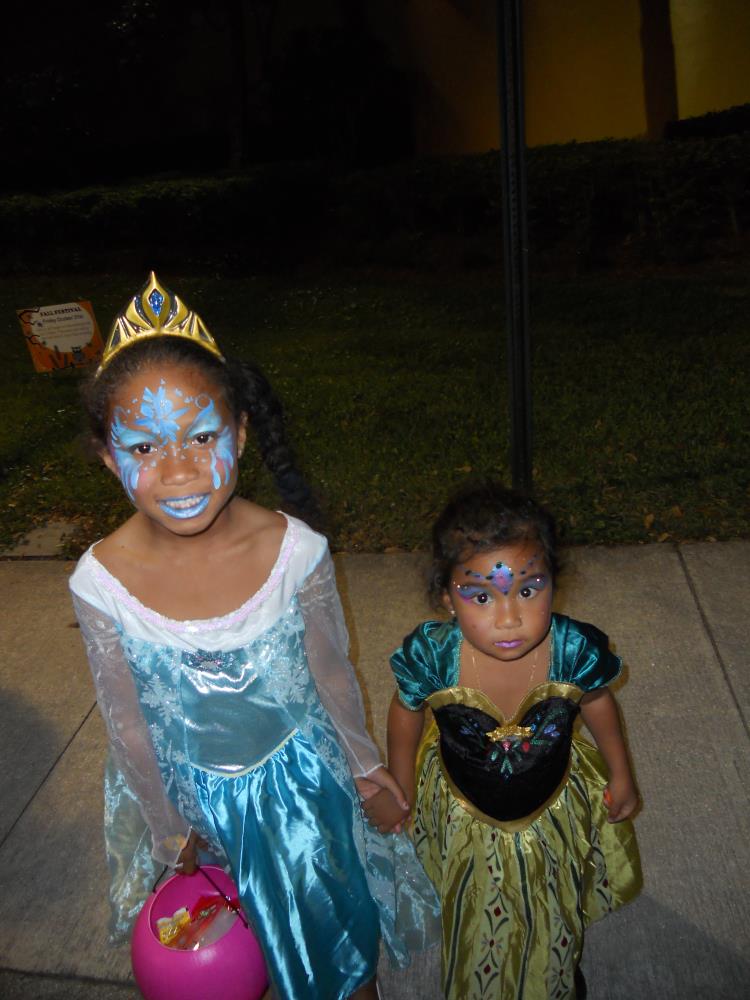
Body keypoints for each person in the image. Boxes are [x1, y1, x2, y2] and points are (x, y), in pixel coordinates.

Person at [69, 273, 439, 1000]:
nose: (179, 471)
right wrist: (164, 823)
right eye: (144, 447)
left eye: (202, 436)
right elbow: (127, 723)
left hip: (300, 794)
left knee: (334, 951)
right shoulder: (100, 582)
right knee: (224, 956)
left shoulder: (296, 551)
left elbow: (330, 674)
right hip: (191, 805)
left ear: (240, 432)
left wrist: (365, 769)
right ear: (110, 456)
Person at [381, 482, 642, 1000]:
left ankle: (556, 968)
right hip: (463, 807)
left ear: (553, 582)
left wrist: (621, 772)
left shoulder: (573, 650)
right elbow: (405, 711)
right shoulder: (433, 658)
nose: (509, 618)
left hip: (550, 805)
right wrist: (400, 782)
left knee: (550, 894)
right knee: (475, 897)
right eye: (481, 596)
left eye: (528, 589)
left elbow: (598, 704)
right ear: (446, 598)